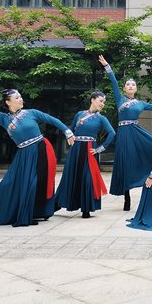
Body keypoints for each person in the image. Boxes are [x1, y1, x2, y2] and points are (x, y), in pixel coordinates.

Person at [0, 80, 74, 227]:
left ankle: (33, 213)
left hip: (40, 150)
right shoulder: (3, 118)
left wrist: (67, 131)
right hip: (23, 154)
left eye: (20, 96)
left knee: (35, 183)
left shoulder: (32, 113)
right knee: (8, 183)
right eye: (17, 97)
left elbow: (52, 120)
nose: (21, 99)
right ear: (8, 102)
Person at [98, 55, 152, 211]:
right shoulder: (119, 99)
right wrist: (107, 66)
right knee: (126, 163)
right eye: (128, 84)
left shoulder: (140, 103)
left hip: (136, 132)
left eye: (133, 84)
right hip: (124, 134)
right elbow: (113, 82)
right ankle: (127, 197)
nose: (130, 86)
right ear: (124, 89)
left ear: (136, 89)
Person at [54, 90, 116, 218]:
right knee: (70, 175)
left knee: (88, 178)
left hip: (90, 150)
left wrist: (100, 149)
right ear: (92, 100)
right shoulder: (79, 114)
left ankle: (86, 208)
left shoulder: (101, 118)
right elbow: (71, 130)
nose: (102, 104)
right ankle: (58, 203)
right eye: (101, 101)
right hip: (76, 149)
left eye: (104, 102)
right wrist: (69, 136)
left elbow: (112, 133)